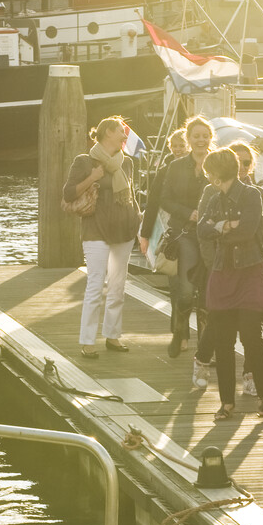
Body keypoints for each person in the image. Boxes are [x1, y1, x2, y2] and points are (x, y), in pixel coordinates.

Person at [197, 148, 263, 421]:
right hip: (222, 272)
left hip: (250, 271)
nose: (207, 177)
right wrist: (226, 225)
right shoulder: (215, 198)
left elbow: (249, 230)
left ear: (217, 175)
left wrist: (218, 228)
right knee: (223, 341)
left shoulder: (252, 195)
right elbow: (201, 230)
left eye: (209, 173)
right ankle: (227, 402)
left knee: (252, 337)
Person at [62, 116, 142, 359]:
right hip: (95, 228)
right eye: (121, 131)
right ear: (108, 132)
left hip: (124, 229)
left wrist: (140, 223)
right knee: (96, 284)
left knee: (117, 286)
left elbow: (130, 195)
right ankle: (87, 341)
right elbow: (68, 193)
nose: (125, 135)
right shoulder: (85, 161)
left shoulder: (126, 163)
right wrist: (92, 178)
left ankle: (112, 336)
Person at [156, 117, 215, 372]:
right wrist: (188, 212)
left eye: (205, 136)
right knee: (185, 291)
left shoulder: (220, 162)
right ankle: (179, 330)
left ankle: (205, 348)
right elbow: (165, 199)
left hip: (212, 236)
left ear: (210, 138)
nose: (201, 140)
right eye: (196, 136)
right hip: (187, 233)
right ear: (188, 139)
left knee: (209, 295)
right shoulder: (177, 166)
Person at [138, 127, 189, 258]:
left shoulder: (199, 167)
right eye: (174, 146)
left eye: (182, 145)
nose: (178, 149)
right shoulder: (164, 171)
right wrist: (145, 234)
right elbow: (153, 201)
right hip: (170, 223)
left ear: (188, 146)